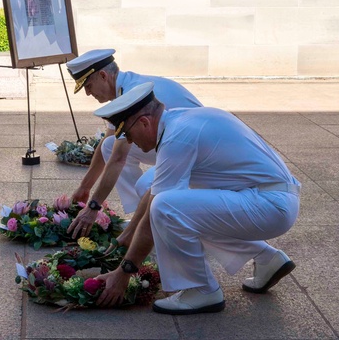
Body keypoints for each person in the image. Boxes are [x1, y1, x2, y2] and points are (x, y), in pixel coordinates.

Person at [90, 83, 299, 315]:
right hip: (265, 197)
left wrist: (124, 273)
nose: (129, 142)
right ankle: (267, 259)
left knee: (167, 207)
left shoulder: (177, 136)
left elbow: (155, 213)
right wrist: (127, 236)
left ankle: (201, 289)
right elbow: (152, 192)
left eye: (127, 134)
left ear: (144, 123)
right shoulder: (179, 121)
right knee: (151, 188)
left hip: (270, 205)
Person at [64, 49, 201, 239]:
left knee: (147, 185)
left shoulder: (131, 93)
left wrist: (93, 207)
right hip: (177, 143)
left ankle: (152, 226)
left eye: (88, 85)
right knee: (110, 145)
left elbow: (118, 159)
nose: (88, 93)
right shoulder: (125, 89)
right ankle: (143, 217)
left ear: (103, 76)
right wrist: (85, 187)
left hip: (195, 150)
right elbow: (108, 143)